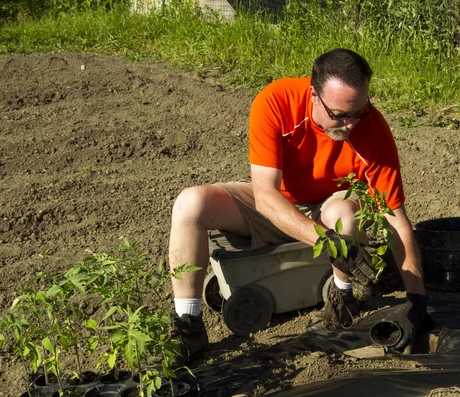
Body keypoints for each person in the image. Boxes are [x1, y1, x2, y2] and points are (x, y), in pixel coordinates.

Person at [168, 48, 433, 362]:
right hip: (277, 202)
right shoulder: (276, 102)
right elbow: (266, 197)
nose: (349, 124)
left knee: (344, 215)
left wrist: (417, 302)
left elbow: (394, 218)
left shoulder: (372, 130)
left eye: (358, 112)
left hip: (328, 205)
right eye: (338, 114)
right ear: (313, 95)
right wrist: (330, 244)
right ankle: (189, 327)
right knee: (190, 204)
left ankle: (341, 301)